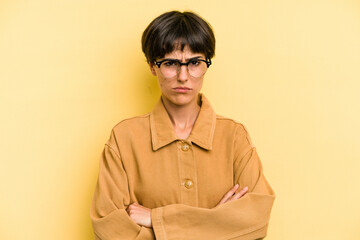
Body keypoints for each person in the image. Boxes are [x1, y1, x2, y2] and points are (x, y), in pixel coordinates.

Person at [90, 11, 275, 240]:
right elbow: (108, 227)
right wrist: (217, 221)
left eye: (195, 63)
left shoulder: (234, 136)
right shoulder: (124, 138)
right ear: (152, 66)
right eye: (170, 63)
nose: (183, 76)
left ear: (207, 64)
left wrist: (155, 220)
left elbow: (256, 220)